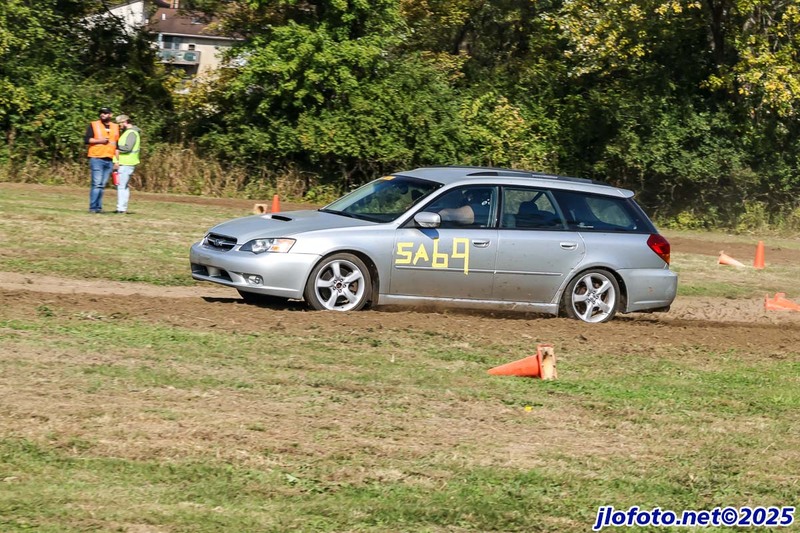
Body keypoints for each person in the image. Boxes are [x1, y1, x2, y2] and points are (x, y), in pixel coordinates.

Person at [84, 107, 120, 213]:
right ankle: (93, 208)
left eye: (105, 113)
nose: (102, 114)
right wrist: (100, 140)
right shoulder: (94, 125)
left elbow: (117, 145)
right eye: (101, 113)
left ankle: (98, 208)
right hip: (96, 157)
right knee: (97, 184)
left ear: (110, 115)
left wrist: (117, 161)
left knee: (102, 185)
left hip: (109, 159)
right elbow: (87, 139)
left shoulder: (115, 127)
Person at [113, 114, 141, 214]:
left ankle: (120, 209)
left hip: (126, 163)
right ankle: (122, 208)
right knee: (123, 186)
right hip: (125, 163)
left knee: (121, 186)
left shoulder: (131, 133)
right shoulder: (128, 132)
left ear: (125, 122)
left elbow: (127, 148)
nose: (119, 126)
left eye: (120, 123)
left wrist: (115, 147)